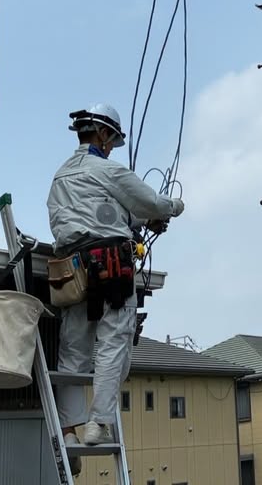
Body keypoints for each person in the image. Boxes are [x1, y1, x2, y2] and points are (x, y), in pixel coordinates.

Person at [47, 102, 184, 463]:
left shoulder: (61, 178)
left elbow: (100, 215)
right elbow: (151, 201)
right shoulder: (108, 171)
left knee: (72, 353)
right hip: (110, 268)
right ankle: (98, 424)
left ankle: (69, 430)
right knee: (113, 344)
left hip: (72, 273)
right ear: (104, 134)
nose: (111, 146)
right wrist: (172, 207)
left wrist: (137, 221)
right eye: (112, 139)